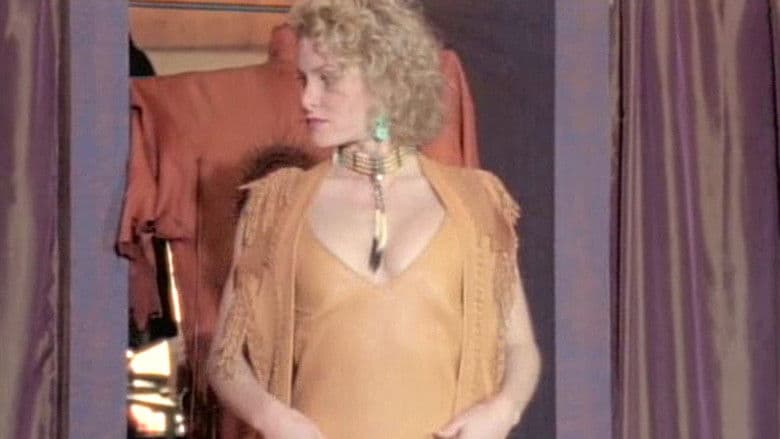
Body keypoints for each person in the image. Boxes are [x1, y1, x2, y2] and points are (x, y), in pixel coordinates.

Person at [207, 1, 541, 438]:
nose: (307, 98)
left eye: (327, 79)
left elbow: (520, 347)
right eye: (303, 79)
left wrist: (503, 411)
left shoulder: (476, 201)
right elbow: (225, 359)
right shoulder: (276, 205)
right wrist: (275, 419)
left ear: (386, 80)